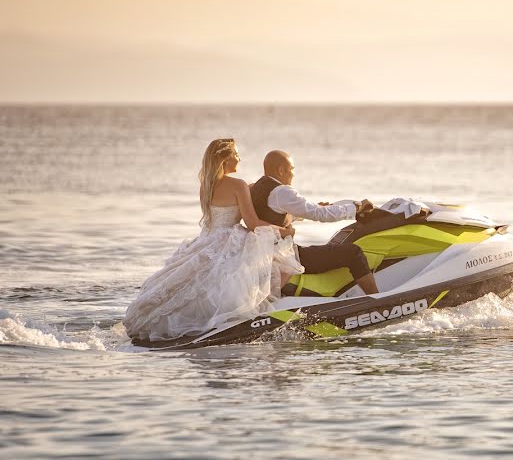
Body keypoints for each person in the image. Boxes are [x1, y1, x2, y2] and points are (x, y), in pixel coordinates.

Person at [123, 139, 301, 342]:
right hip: (230, 240)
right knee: (282, 265)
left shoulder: (206, 186)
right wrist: (283, 231)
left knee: (197, 284)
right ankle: (266, 312)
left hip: (208, 240)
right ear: (225, 159)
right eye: (236, 155)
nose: (239, 159)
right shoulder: (239, 185)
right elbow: (253, 223)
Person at [249, 150, 380, 295]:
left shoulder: (257, 187)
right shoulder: (282, 192)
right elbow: (320, 215)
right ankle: (376, 300)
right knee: (354, 253)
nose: (293, 174)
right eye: (292, 169)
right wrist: (356, 207)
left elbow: (272, 214)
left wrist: (315, 207)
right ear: (281, 170)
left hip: (268, 256)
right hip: (285, 257)